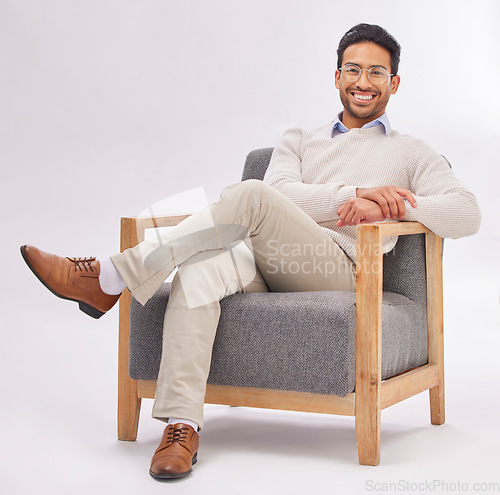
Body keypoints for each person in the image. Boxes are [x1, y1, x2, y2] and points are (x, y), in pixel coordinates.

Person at [20, 23, 481, 480]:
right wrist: (355, 192)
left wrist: (392, 200)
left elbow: (467, 213)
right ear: (336, 76)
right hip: (265, 256)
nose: (363, 82)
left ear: (394, 83)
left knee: (247, 195)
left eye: (376, 73)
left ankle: (109, 278)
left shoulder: (412, 152)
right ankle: (182, 426)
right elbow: (280, 193)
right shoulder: (298, 139)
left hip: (340, 267)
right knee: (200, 266)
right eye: (353, 70)